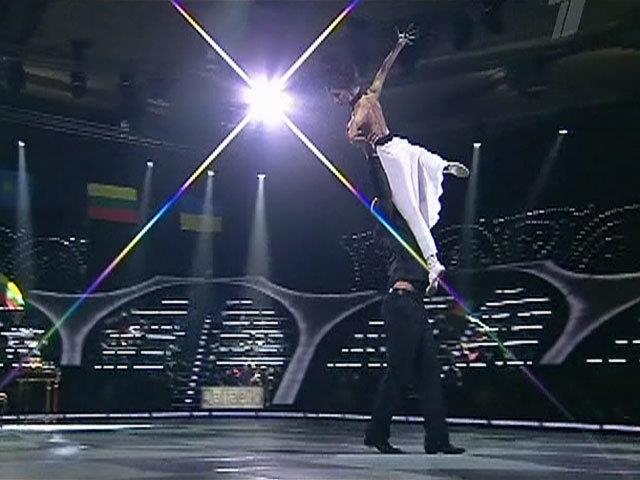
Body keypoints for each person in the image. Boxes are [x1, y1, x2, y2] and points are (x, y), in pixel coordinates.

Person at [330, 25, 467, 455]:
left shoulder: (369, 100)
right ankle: (377, 434)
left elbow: (380, 77)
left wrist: (399, 46)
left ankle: (437, 440)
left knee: (428, 374)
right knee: (399, 372)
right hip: (401, 304)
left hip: (413, 304)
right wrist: (362, 142)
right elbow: (368, 159)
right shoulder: (396, 222)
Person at [329, 24, 469, 293]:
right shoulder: (371, 96)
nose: (335, 100)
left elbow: (352, 136)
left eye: (336, 95)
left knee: (409, 209)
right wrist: (399, 45)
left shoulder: (358, 112)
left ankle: (433, 264)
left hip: (386, 153)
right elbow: (383, 71)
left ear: (345, 91)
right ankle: (443, 166)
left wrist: (360, 140)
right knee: (421, 156)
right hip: (397, 143)